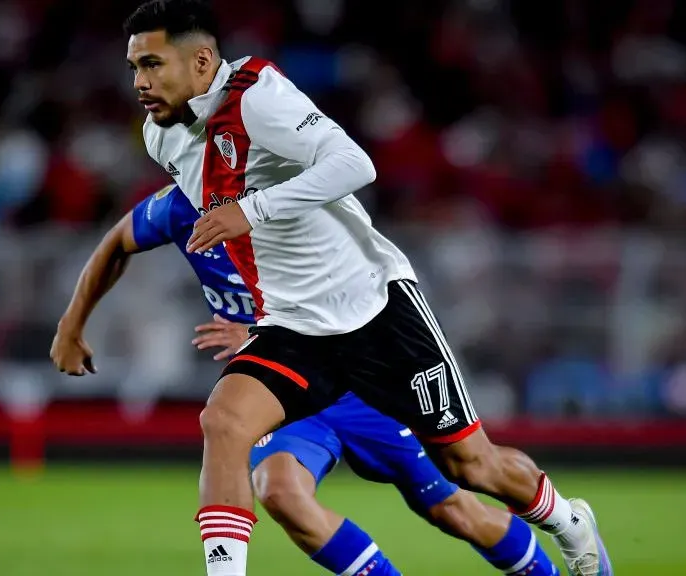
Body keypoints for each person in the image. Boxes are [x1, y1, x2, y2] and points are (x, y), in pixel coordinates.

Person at [123, 1, 611, 575]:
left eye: (152, 64)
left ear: (202, 61)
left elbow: (355, 164)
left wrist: (251, 211)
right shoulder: (162, 137)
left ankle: (568, 520)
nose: (140, 82)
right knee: (224, 423)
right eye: (134, 68)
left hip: (374, 310)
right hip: (294, 325)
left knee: (471, 468)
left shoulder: (257, 96)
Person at [51, 183, 562, 576]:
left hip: (357, 380)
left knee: (453, 508)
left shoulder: (296, 194)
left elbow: (361, 286)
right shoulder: (179, 205)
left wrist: (262, 330)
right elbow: (118, 240)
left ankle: (567, 539)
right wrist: (71, 325)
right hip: (283, 389)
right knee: (278, 489)